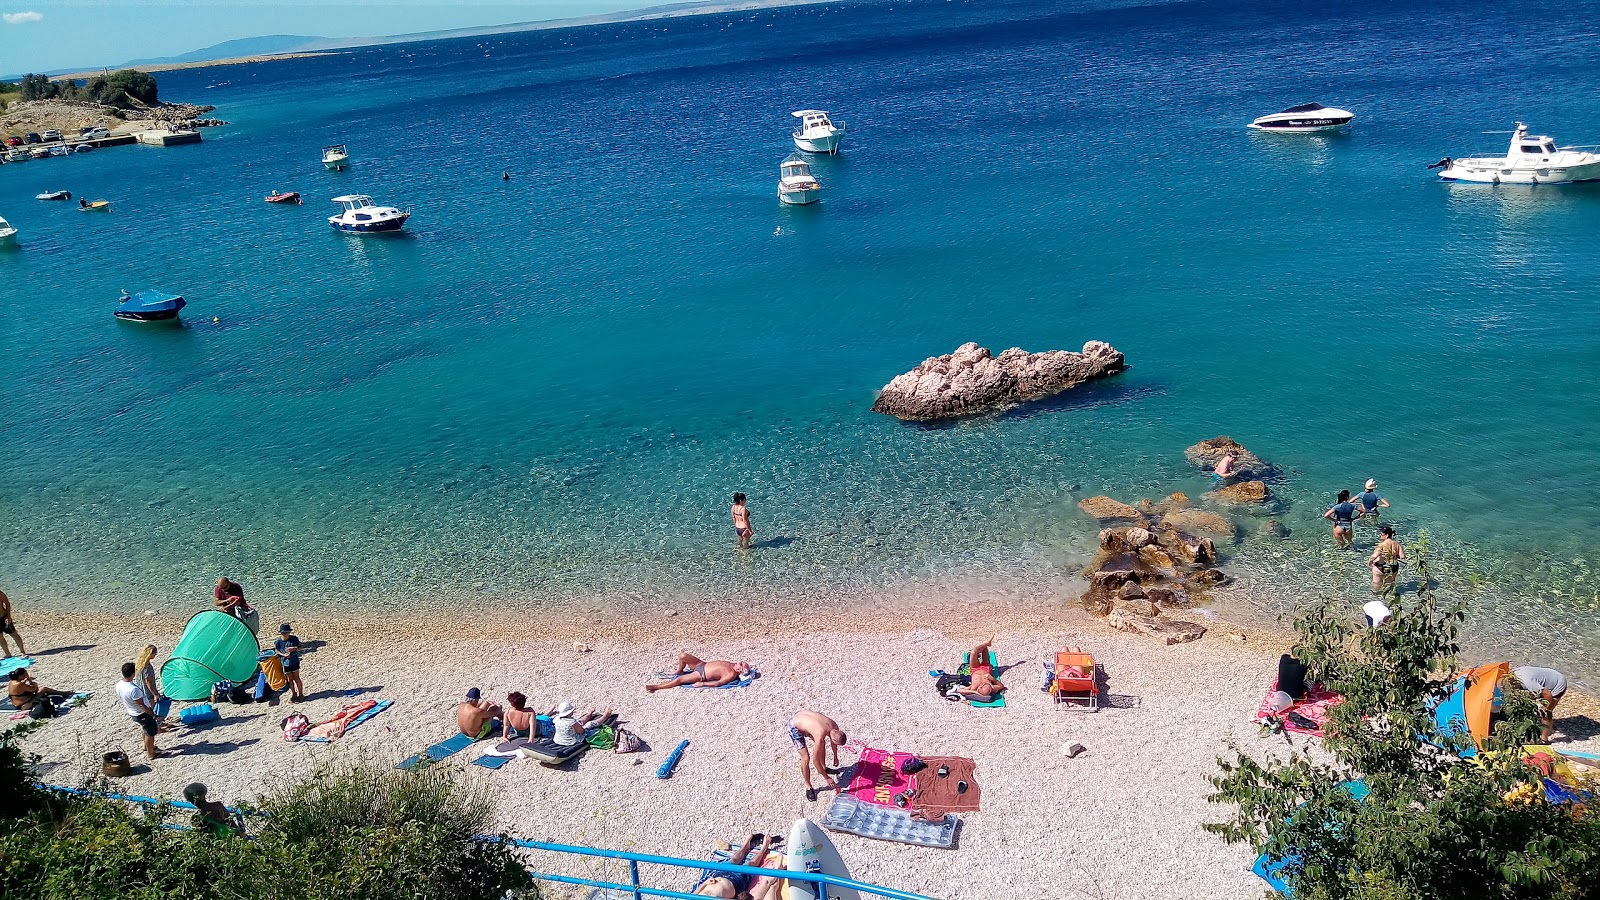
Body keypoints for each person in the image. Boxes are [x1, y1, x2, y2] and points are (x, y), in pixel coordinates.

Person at [789, 709, 847, 801]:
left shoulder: (834, 726)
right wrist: (827, 778)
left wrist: (835, 756)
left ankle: (824, 768)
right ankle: (808, 786)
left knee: (822, 744)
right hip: (795, 725)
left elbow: (834, 744)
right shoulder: (819, 736)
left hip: (804, 716)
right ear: (834, 740)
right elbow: (815, 761)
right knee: (806, 758)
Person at [697, 832, 775, 898]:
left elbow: (694, 893)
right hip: (735, 883)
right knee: (750, 865)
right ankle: (763, 849)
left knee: (733, 860)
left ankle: (745, 846)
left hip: (718, 876)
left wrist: (705, 883)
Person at [116, 661, 161, 761]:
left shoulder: (119, 684)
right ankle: (151, 753)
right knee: (150, 733)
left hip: (132, 711)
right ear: (133, 674)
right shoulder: (133, 689)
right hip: (141, 713)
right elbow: (142, 705)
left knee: (145, 729)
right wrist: (153, 714)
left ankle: (146, 746)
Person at [1512, 666, 1567, 742]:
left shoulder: (1528, 683)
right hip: (1544, 678)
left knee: (1546, 713)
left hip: (1557, 684)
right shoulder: (1511, 674)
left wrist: (1543, 707)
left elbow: (1548, 695)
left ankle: (1544, 738)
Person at [646, 652, 752, 691]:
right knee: (683, 656)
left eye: (741, 664)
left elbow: (719, 683)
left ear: (740, 671)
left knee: (679, 680)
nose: (739, 662)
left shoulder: (731, 674)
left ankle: (656, 687)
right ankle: (679, 670)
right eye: (741, 662)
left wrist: (702, 683)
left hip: (701, 675)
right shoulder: (733, 665)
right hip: (702, 664)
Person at [134, 645, 175, 731]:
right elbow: (148, 682)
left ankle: (159, 724)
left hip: (141, 690)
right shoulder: (147, 667)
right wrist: (155, 694)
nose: (155, 656)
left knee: (152, 710)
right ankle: (158, 727)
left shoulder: (139, 664)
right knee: (153, 711)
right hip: (148, 693)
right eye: (154, 654)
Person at [955, 638, 1006, 703]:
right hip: (986, 669)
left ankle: (986, 643)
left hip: (975, 669)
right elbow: (1001, 686)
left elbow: (960, 691)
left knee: (973, 652)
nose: (982, 684)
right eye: (984, 684)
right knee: (984, 649)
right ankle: (986, 644)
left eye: (980, 687)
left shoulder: (974, 688)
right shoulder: (992, 688)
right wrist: (992, 679)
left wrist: (974, 691)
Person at [1368, 524, 1405, 593]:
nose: (1380, 536)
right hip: (1393, 566)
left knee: (1377, 583)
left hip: (1380, 566)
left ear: (1387, 535)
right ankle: (1388, 597)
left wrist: (1370, 561)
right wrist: (1394, 555)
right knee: (1389, 585)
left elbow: (1374, 556)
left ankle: (1376, 596)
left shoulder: (1381, 545)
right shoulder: (1397, 544)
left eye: (1381, 534)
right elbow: (1402, 557)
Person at [274, 623, 304, 701]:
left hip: (294, 662)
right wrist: (283, 655)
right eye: (284, 632)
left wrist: (294, 648)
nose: (285, 634)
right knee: (290, 680)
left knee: (297, 678)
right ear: (281, 633)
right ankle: (294, 694)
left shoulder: (294, 639)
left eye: (287, 632)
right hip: (285, 663)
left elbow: (301, 648)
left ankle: (301, 694)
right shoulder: (278, 641)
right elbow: (276, 650)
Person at [0, 589, 26, 657]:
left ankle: (22, 652)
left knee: (14, 634)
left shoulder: (0, 593)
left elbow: (7, 604)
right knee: (0, 638)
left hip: (3, 618)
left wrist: (9, 617)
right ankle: (8, 654)